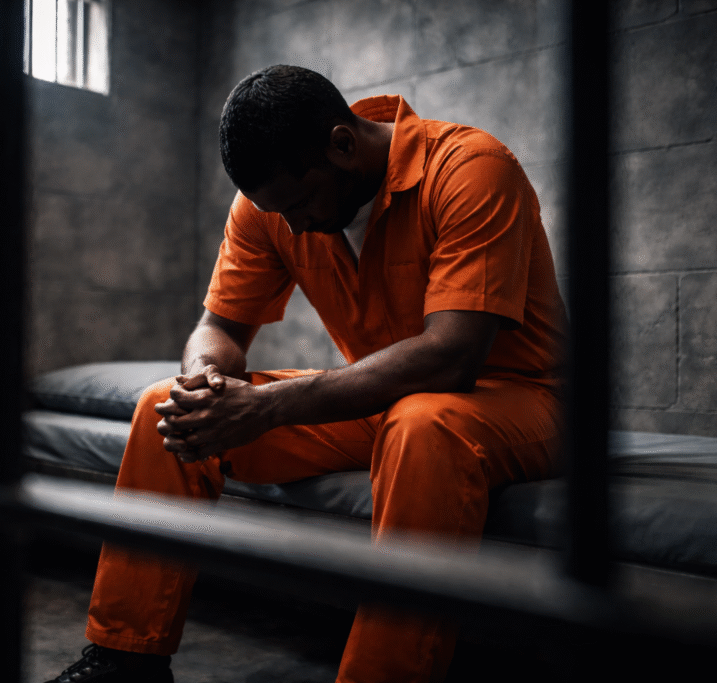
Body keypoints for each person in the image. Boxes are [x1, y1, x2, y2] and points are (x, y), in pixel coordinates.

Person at [46, 64, 567, 683]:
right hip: (389, 401)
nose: (290, 228)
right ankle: (124, 662)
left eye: (298, 206)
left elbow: (453, 354)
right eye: (278, 212)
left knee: (426, 424)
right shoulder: (268, 205)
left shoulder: (471, 168)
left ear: (343, 145)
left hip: (523, 400)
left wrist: (267, 406)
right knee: (166, 404)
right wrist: (204, 382)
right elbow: (218, 327)